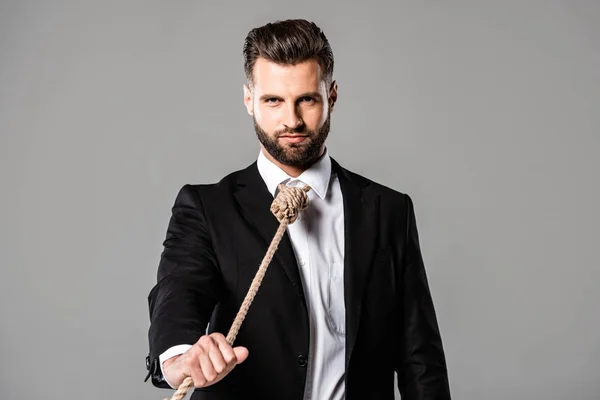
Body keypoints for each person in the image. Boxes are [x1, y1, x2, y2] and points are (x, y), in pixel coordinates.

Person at [145, 18, 451, 400]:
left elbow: (419, 356)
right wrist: (178, 356)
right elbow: (179, 290)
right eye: (273, 100)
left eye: (307, 99)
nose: (291, 120)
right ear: (248, 100)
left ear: (332, 96)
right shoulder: (208, 207)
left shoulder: (388, 209)